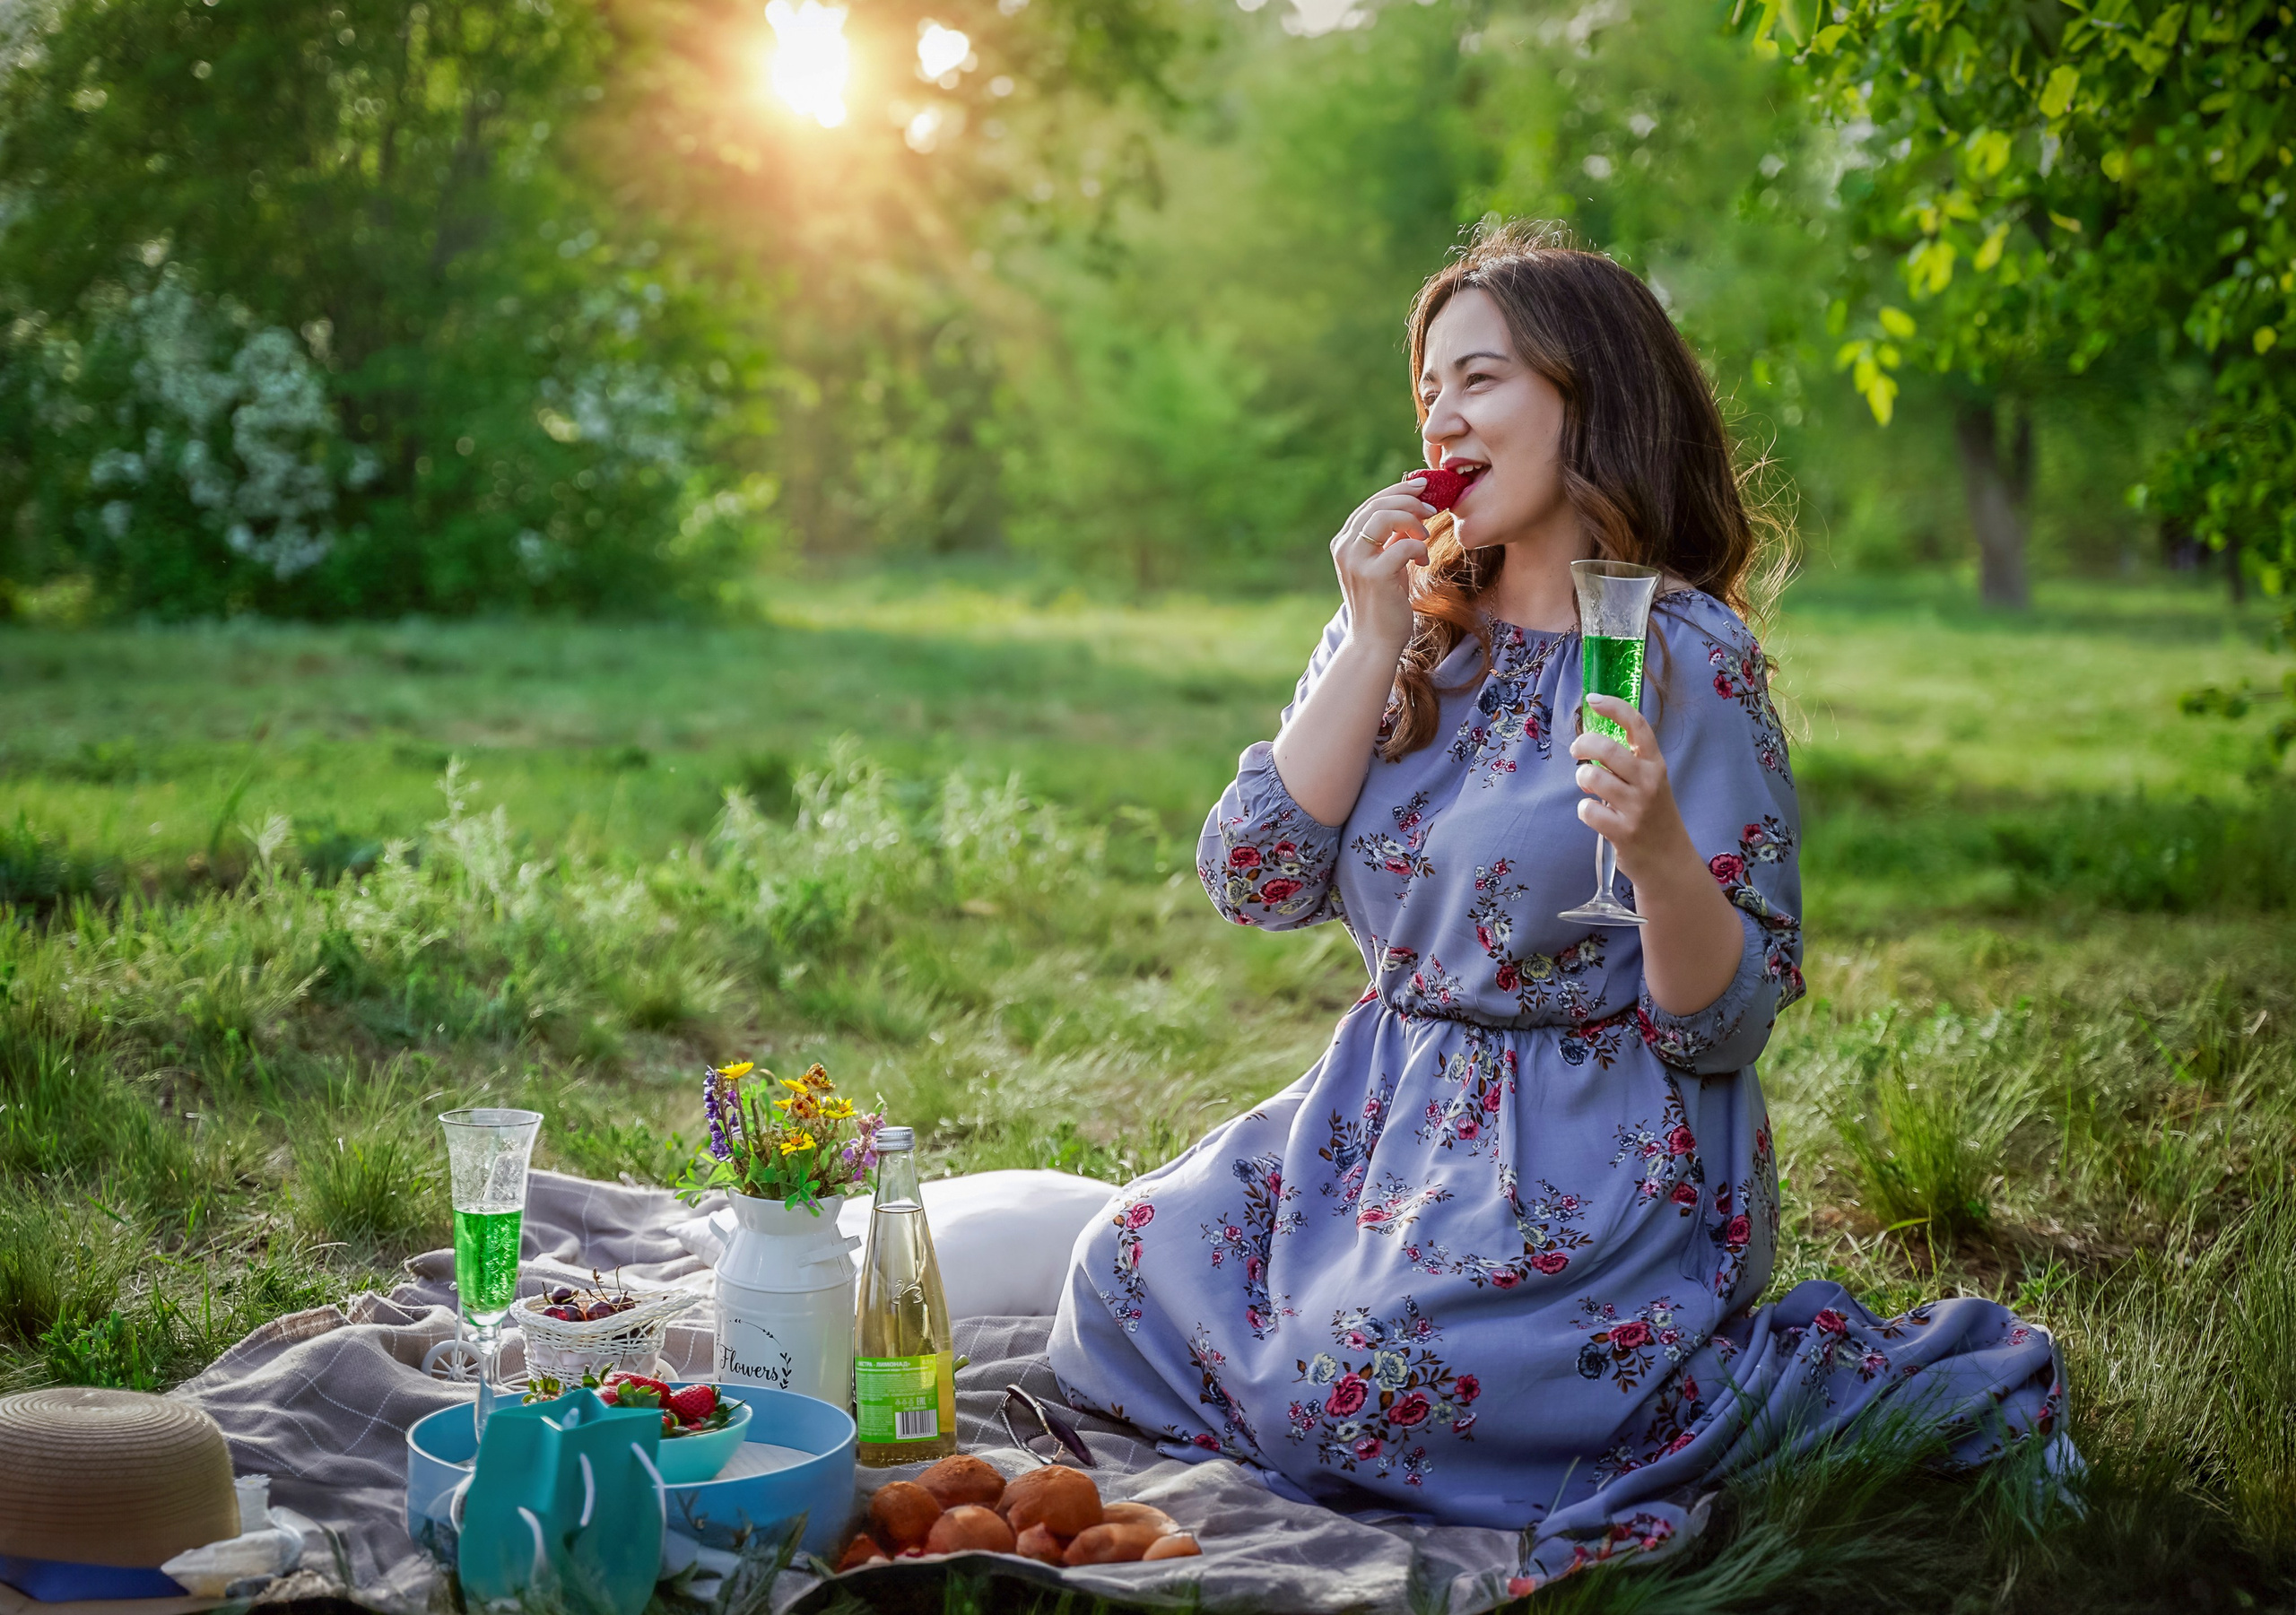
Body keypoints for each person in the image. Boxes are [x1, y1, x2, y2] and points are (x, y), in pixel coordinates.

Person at [1047, 221, 2068, 1585]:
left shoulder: (1685, 655)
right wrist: (1363, 640)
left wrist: (1655, 852)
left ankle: (1789, 1379)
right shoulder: (1409, 627)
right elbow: (1253, 876)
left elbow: (1730, 1020)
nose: (1443, 413)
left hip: (1591, 1142)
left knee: (1353, 1383)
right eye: (1427, 389)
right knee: (1116, 1278)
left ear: (1587, 397)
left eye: (1482, 378)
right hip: (1378, 1114)